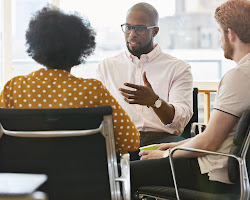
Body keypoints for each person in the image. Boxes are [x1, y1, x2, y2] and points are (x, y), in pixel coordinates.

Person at [130, 0, 250, 198]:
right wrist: (177, 146)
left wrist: (167, 154)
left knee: (122, 172)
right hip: (228, 168)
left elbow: (210, 142)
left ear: (231, 33)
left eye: (219, 33)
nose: (219, 40)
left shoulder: (239, 76)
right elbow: (215, 137)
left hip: (212, 171)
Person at [0, 5, 140, 154]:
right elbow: (131, 142)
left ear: (36, 47)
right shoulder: (92, 90)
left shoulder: (14, 88)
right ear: (81, 49)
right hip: (84, 176)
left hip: (26, 175)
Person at [97, 2, 193, 149]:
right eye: (128, 27)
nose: (132, 34)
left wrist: (155, 102)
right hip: (120, 141)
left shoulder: (178, 68)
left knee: (182, 156)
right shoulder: (106, 67)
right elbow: (98, 113)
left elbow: (180, 122)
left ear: (155, 31)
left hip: (162, 140)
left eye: (140, 29)